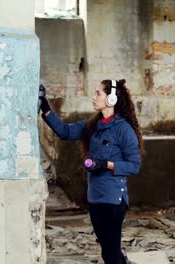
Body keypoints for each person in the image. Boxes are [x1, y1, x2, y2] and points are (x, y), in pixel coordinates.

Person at [39, 79, 143, 264]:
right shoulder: (93, 125)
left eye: (98, 94)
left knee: (110, 254)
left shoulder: (123, 130)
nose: (94, 97)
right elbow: (64, 132)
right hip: (95, 198)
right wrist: (45, 107)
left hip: (113, 200)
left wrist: (106, 164)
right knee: (109, 250)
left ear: (111, 99)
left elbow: (134, 165)